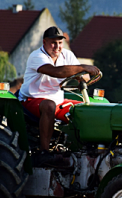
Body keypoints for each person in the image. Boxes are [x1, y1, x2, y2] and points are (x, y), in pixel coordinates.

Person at [19, 26, 100, 167]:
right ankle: (44, 152)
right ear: (44, 42)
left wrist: (83, 76)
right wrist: (82, 68)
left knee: (84, 109)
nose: (57, 47)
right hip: (32, 99)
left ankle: (86, 150)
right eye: (53, 43)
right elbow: (56, 72)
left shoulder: (67, 55)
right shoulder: (37, 56)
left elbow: (85, 76)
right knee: (49, 105)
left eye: (60, 43)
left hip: (57, 99)